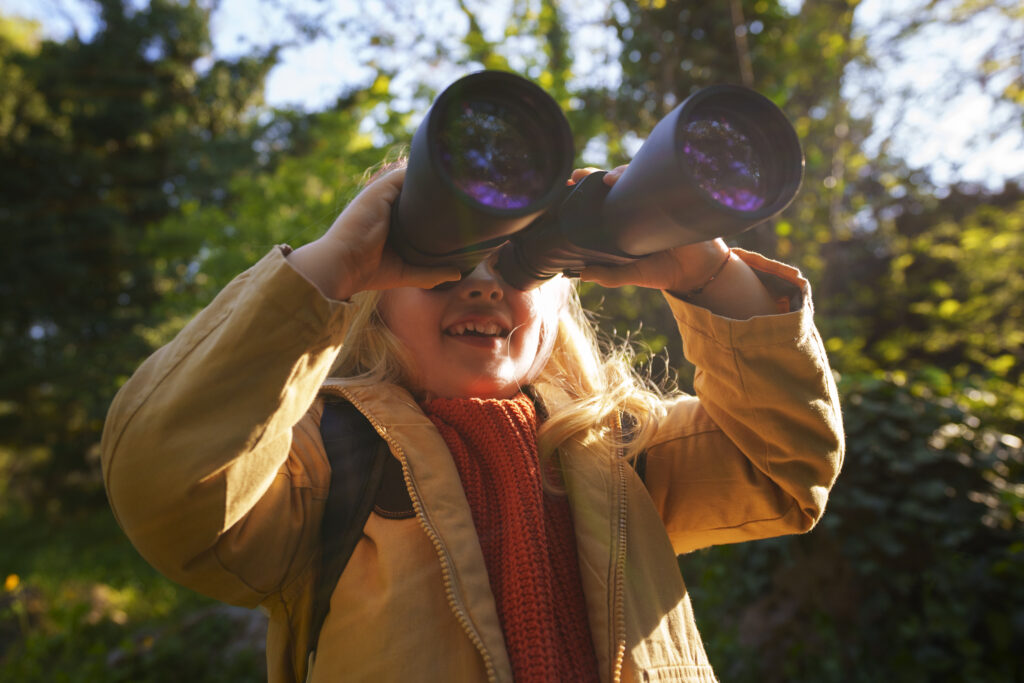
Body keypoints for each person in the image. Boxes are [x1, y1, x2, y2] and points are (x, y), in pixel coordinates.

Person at [101, 162, 844, 683]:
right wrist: (328, 267)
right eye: (444, 261)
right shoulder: (318, 464)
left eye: (517, 262)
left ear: (564, 293)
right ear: (379, 292)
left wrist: (709, 273)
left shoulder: (622, 451)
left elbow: (785, 468)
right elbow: (170, 490)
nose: (483, 283)